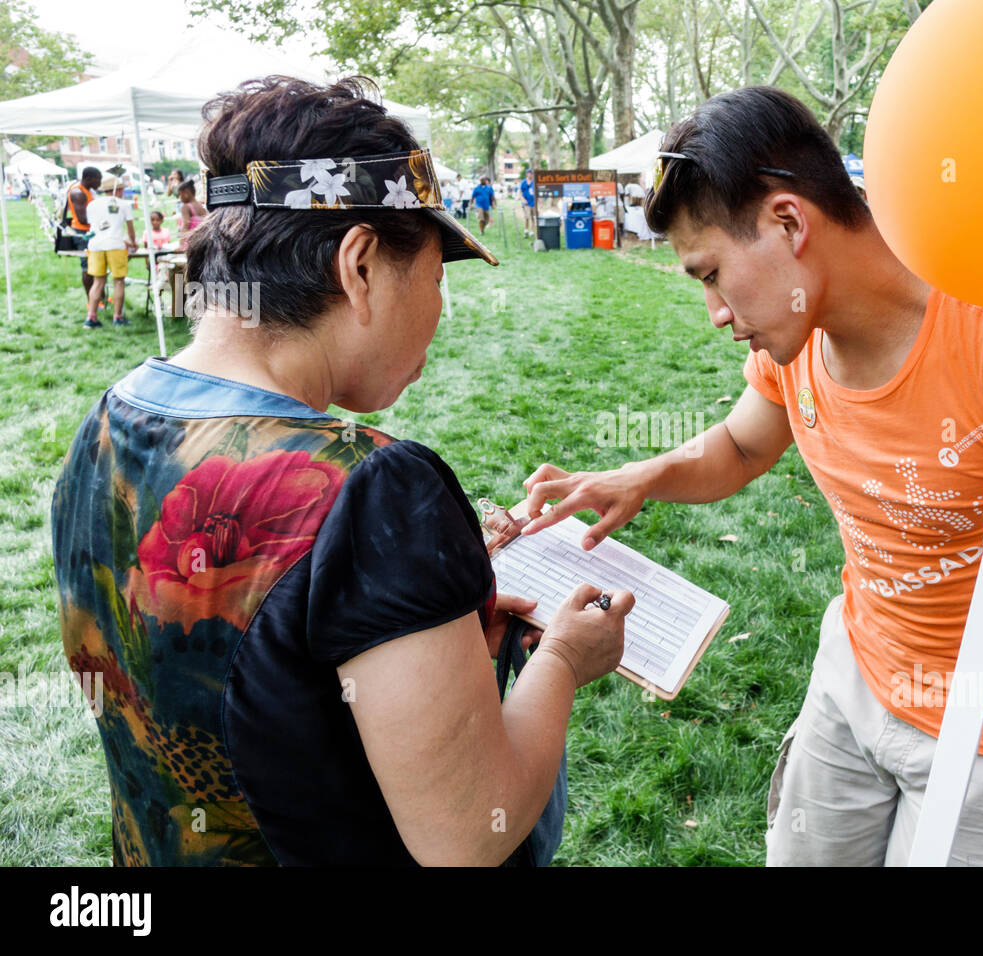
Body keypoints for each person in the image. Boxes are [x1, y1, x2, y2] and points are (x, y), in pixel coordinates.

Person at [519, 86, 983, 866]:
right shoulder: (795, 341)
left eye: (710, 274)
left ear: (790, 222)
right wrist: (634, 476)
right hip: (853, 677)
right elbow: (738, 447)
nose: (715, 314)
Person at [50, 75, 631, 867]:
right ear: (359, 265)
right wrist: (563, 658)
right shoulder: (375, 488)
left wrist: (421, 617)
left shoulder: (108, 419)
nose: (437, 307)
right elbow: (469, 832)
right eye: (435, 274)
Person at [82, 174, 138, 328]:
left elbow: (98, 227)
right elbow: (130, 229)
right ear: (118, 190)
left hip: (95, 245)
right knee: (118, 281)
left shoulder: (92, 204)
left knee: (98, 281)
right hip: (115, 246)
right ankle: (117, 317)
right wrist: (132, 242)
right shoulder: (124, 204)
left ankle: (91, 317)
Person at [64, 166, 101, 310]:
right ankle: (91, 301)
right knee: (87, 267)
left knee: (97, 266)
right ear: (89, 178)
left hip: (90, 232)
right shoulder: (78, 192)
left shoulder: (88, 191)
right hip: (82, 234)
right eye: (98, 179)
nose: (100, 182)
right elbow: (83, 218)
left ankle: (98, 297)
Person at [176, 178, 207, 250]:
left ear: (187, 192)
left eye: (180, 195)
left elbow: (185, 225)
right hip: (203, 241)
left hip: (191, 243)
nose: (180, 198)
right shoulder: (201, 206)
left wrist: (181, 244)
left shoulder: (186, 207)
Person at [520, 168, 536, 237]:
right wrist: (523, 199)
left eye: (532, 173)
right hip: (526, 203)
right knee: (527, 217)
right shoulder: (523, 182)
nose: (531, 175)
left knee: (533, 217)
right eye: (530, 173)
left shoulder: (534, 182)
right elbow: (520, 192)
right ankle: (526, 231)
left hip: (534, 203)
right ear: (527, 174)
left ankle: (532, 232)